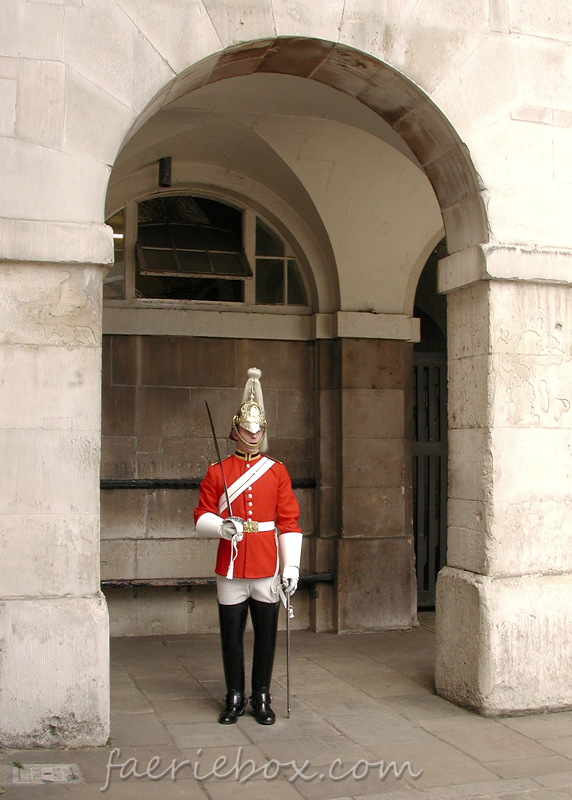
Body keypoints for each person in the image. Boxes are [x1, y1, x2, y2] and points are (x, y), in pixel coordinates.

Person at [194, 368, 303, 725]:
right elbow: (200, 517)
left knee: (266, 638)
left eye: (258, 431)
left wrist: (291, 567)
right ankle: (235, 695)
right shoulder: (217, 471)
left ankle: (262, 696)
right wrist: (221, 527)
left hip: (266, 565)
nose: (253, 436)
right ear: (235, 431)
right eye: (246, 430)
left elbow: (288, 521)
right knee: (231, 637)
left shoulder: (276, 471)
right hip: (231, 565)